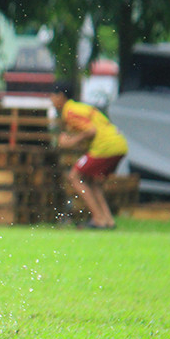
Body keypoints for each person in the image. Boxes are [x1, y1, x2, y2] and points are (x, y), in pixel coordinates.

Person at [51, 81, 128, 229]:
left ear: (60, 96)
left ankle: (98, 218)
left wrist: (71, 142)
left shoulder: (70, 111)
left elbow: (91, 131)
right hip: (118, 144)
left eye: (52, 96)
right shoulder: (80, 107)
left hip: (106, 146)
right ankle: (107, 220)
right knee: (92, 181)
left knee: (75, 176)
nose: (51, 100)